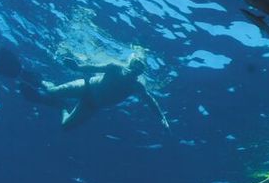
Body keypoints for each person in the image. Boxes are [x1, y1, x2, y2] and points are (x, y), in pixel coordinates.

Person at [20, 52, 169, 131]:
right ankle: (40, 81)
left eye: (140, 69)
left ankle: (63, 106)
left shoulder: (138, 86)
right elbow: (93, 68)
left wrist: (162, 117)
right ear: (130, 63)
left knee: (65, 126)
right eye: (135, 65)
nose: (136, 70)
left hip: (93, 105)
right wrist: (77, 67)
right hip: (86, 87)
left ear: (141, 72)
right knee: (52, 91)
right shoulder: (114, 67)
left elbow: (151, 102)